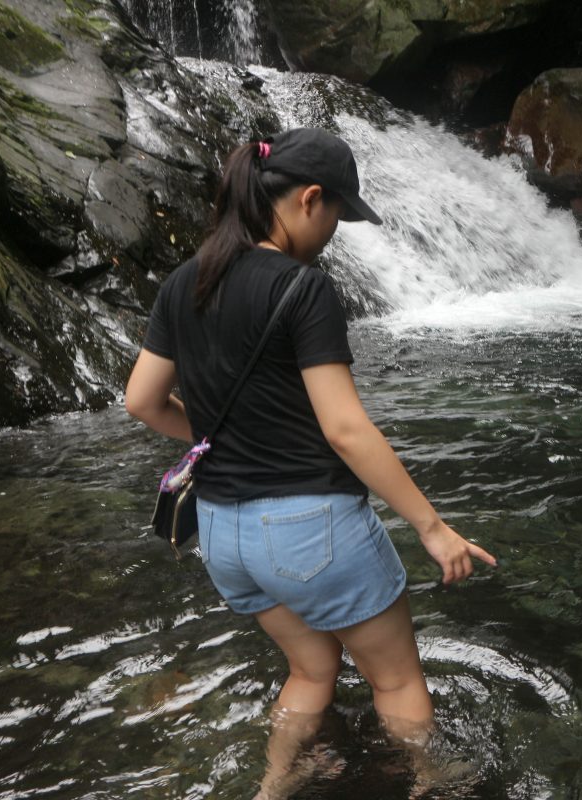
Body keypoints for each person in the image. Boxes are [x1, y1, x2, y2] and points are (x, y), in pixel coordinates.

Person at [124, 127, 497, 798]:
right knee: (397, 681)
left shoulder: (185, 282)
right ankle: (427, 784)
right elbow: (346, 429)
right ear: (309, 200)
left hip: (224, 537)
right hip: (309, 531)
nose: (335, 231)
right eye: (338, 216)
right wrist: (432, 528)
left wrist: (213, 434)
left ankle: (271, 790)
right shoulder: (304, 289)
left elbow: (142, 401)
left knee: (313, 668)